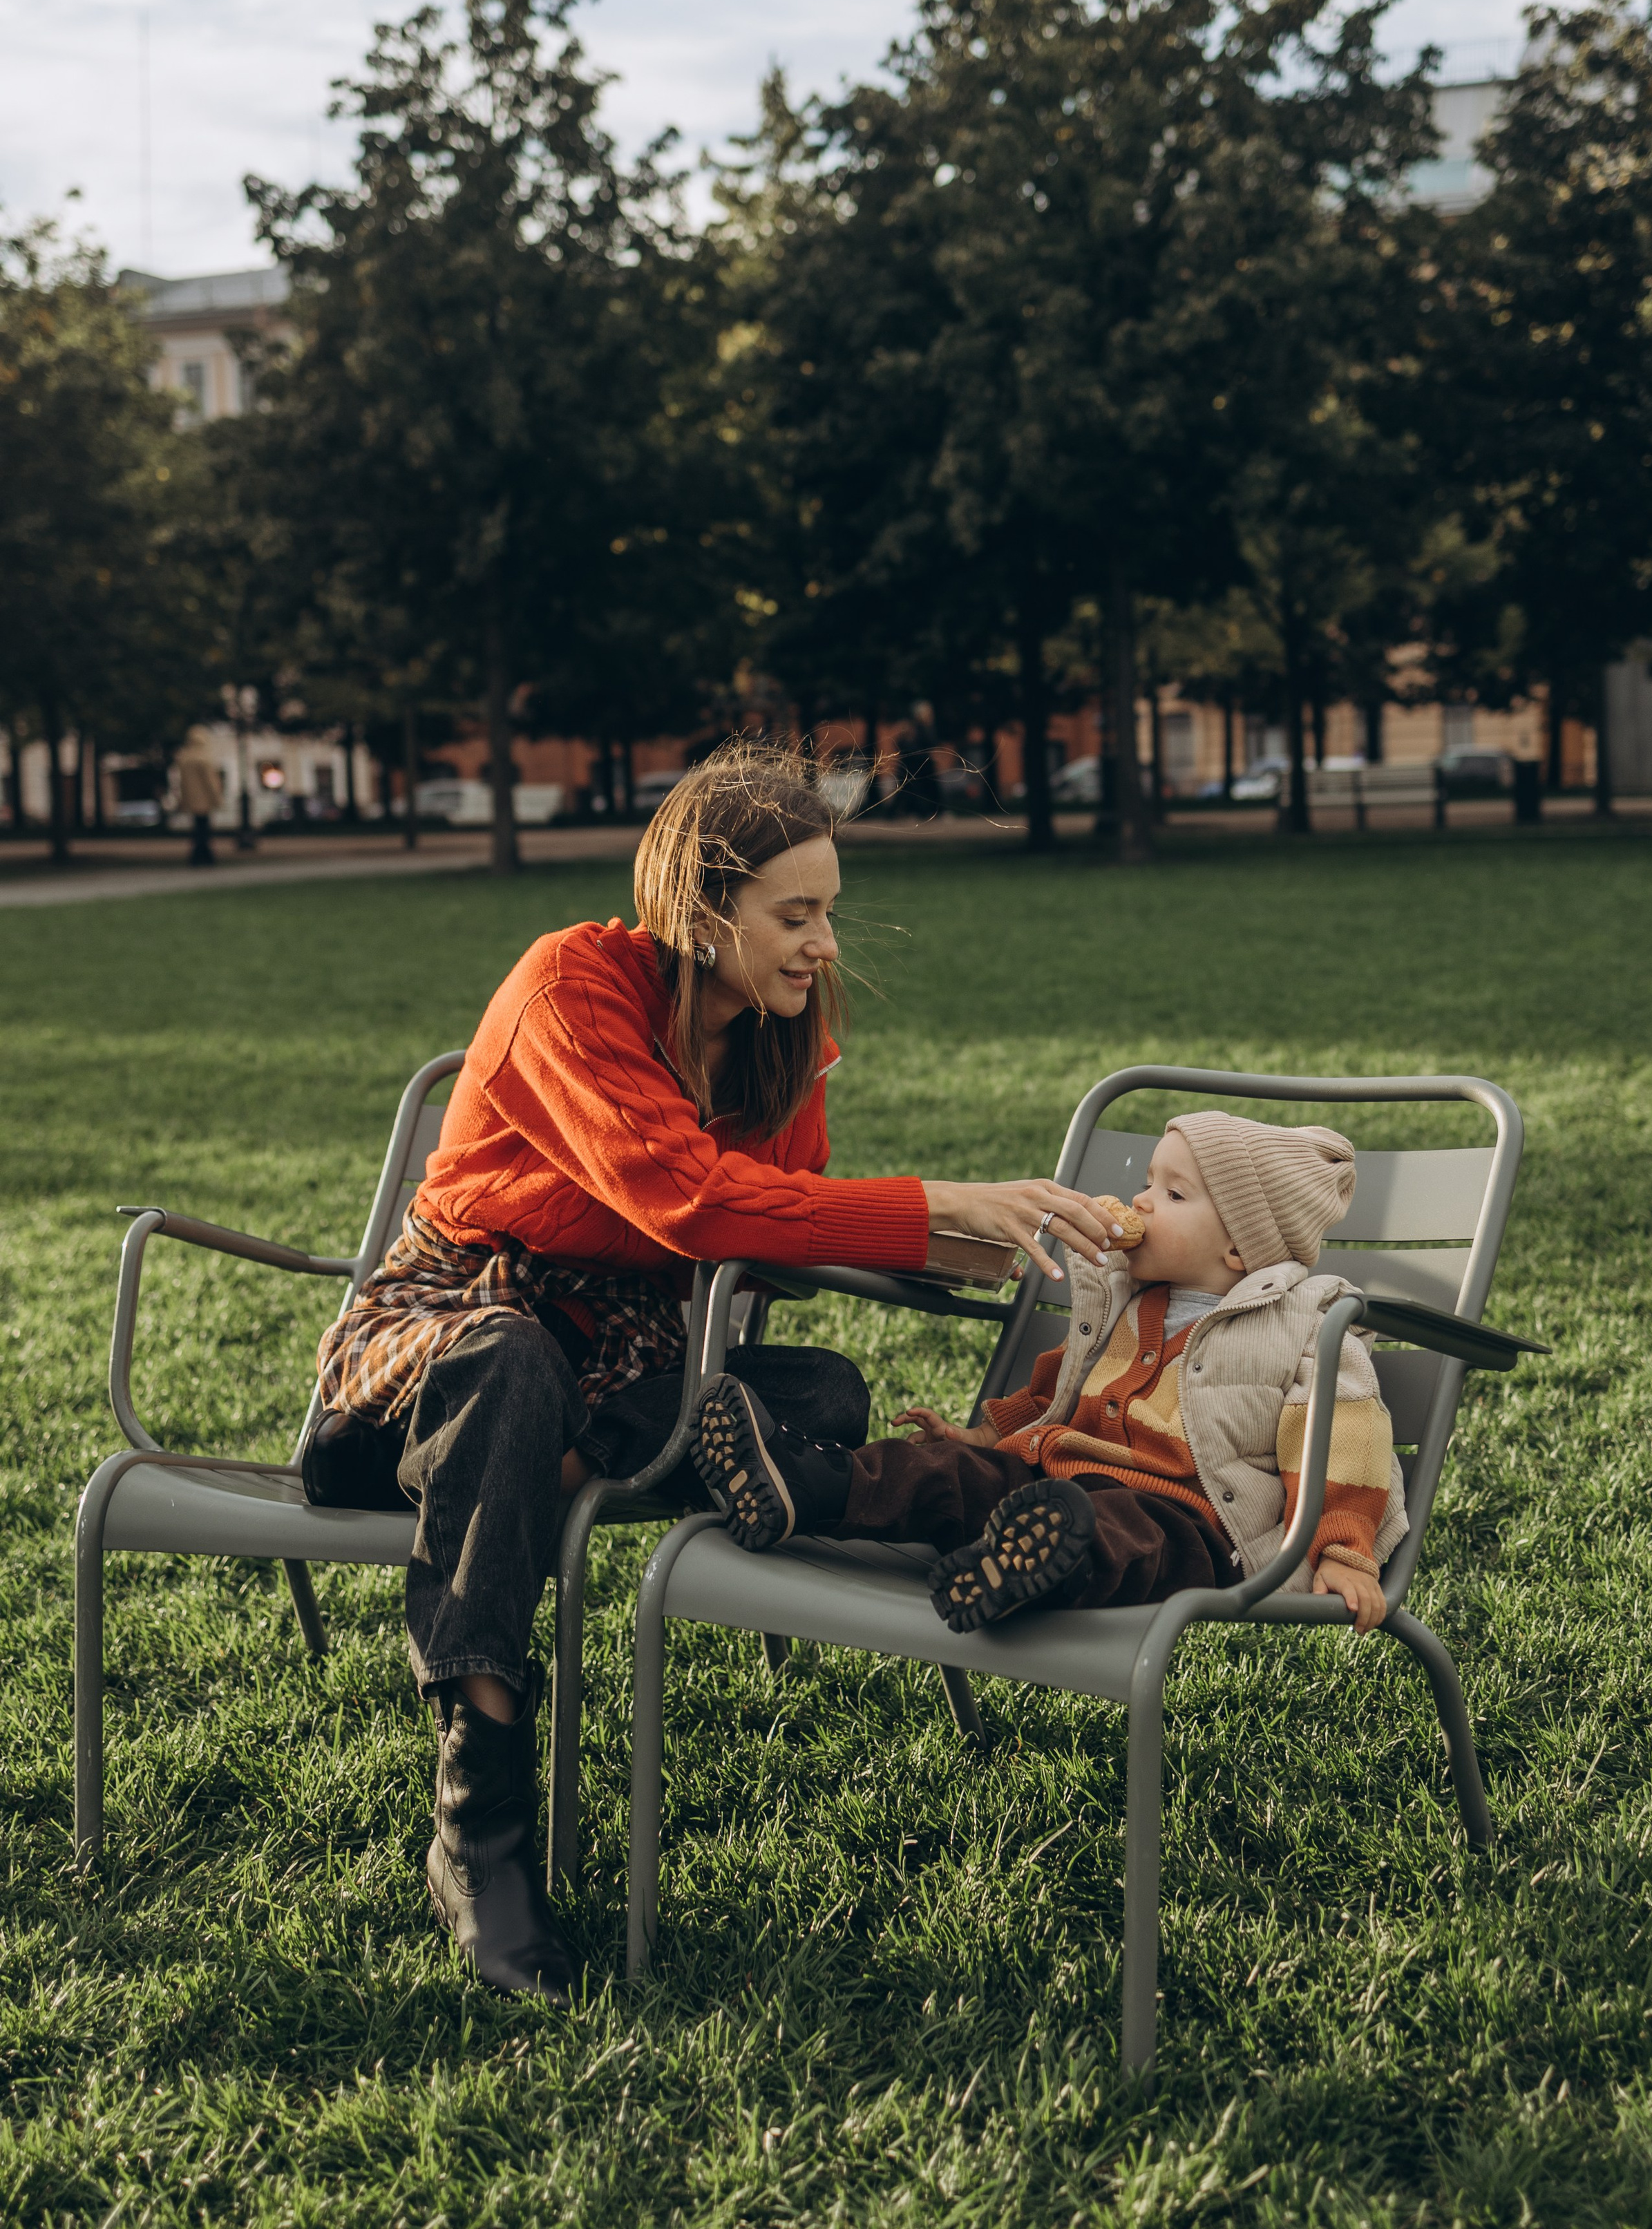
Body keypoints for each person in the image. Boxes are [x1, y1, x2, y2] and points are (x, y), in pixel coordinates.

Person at [307, 742, 1115, 2003]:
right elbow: (690, 1205)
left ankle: (533, 1483)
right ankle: (480, 1823)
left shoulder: (775, 1047)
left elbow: (776, 1222)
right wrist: (930, 1197)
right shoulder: (569, 984)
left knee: (820, 1397)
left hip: (625, 1358)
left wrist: (990, 1239)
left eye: (829, 913)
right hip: (448, 1337)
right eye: (795, 917)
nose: (823, 947)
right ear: (701, 912)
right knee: (515, 1363)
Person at [690, 1108, 1407, 1640]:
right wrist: (974, 1439)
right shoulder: (1126, 1301)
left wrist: (1343, 1554)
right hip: (1054, 1480)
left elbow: (1345, 1441)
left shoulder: (1306, 1324)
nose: (1145, 1202)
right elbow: (1055, 1395)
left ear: (1240, 1249)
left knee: (1119, 1531)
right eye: (1149, 1182)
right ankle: (806, 1483)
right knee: (948, 1476)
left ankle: (1026, 1564)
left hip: (1192, 1520)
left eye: (1176, 1194)